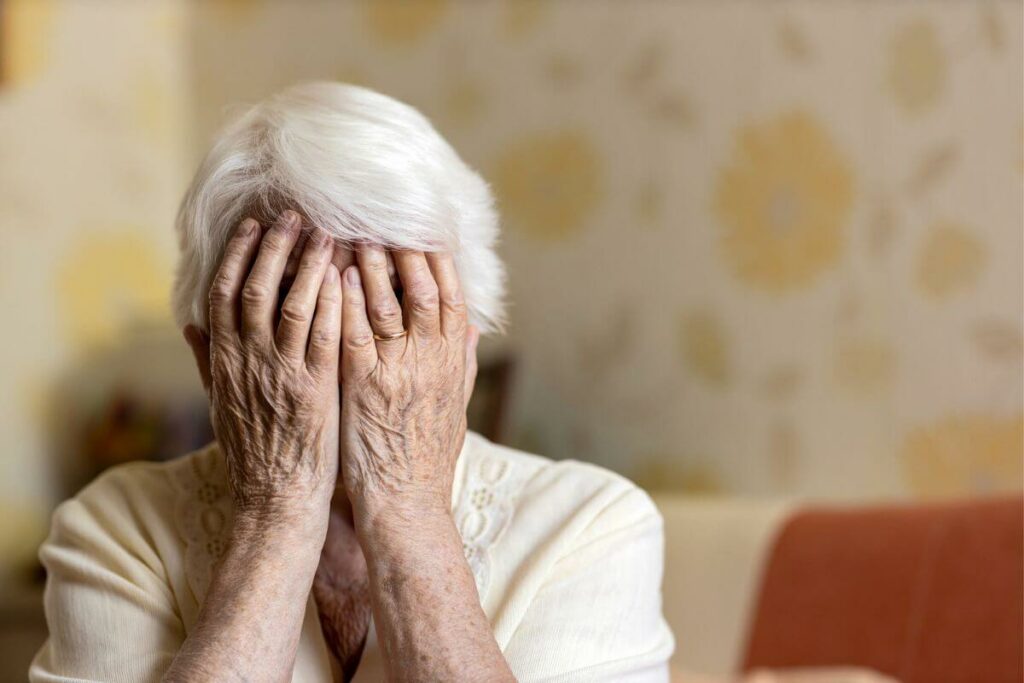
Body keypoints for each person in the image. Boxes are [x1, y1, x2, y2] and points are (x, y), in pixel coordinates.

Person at [30, 82, 674, 682]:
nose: (346, 351)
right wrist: (276, 513)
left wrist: (407, 505)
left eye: (388, 303)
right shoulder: (114, 530)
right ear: (212, 357)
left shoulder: (593, 527)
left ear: (464, 344)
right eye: (290, 310)